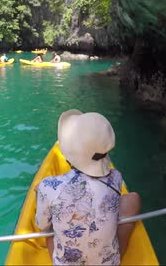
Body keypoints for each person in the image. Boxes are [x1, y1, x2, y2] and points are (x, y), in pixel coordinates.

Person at [35, 110, 141, 265]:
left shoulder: (49, 186)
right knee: (133, 199)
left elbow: (41, 225)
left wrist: (40, 194)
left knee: (48, 224)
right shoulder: (116, 177)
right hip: (109, 263)